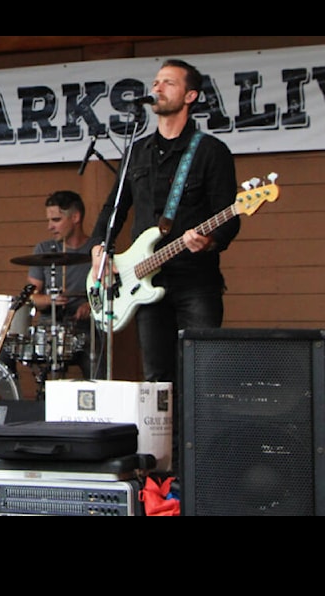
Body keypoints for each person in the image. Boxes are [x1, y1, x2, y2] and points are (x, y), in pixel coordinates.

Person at [89, 59, 241, 466]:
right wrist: (99, 249)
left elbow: (232, 215)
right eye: (155, 82)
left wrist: (208, 239)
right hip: (142, 285)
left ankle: (206, 467)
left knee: (201, 376)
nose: (157, 88)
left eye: (168, 83)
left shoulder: (210, 151)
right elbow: (114, 209)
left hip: (196, 282)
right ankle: (162, 468)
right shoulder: (137, 151)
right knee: (157, 382)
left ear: (189, 96)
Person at [26, 190, 102, 380]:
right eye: (49, 220)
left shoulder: (97, 249)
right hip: (49, 327)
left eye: (56, 220)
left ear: (75, 217)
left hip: (85, 329)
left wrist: (91, 306)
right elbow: (31, 296)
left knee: (97, 375)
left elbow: (110, 292)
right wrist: (50, 299)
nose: (50, 227)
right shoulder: (44, 249)